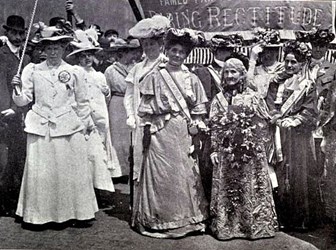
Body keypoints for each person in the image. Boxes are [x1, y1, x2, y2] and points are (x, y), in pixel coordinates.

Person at [11, 25, 98, 227]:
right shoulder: (32, 70)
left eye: (57, 48)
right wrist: (16, 89)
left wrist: (84, 125)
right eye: (48, 48)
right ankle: (39, 216)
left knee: (67, 170)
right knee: (42, 171)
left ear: (63, 48)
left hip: (68, 126)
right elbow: (23, 100)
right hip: (40, 125)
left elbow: (83, 101)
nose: (52, 52)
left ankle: (72, 214)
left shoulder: (73, 71)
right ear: (43, 49)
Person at [131, 28, 209, 238]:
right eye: (173, 50)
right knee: (163, 173)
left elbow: (198, 109)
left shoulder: (191, 78)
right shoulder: (155, 76)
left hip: (182, 130)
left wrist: (197, 126)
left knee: (184, 171)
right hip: (160, 131)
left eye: (181, 52)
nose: (177, 55)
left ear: (186, 55)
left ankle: (188, 220)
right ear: (168, 50)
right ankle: (161, 219)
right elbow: (146, 110)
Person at [209, 58, 278, 240]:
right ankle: (228, 227)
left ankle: (251, 227)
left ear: (242, 75)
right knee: (229, 188)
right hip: (226, 152)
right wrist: (214, 149)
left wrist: (252, 136)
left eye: (234, 72)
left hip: (250, 153)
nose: (230, 76)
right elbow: (214, 126)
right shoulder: (218, 99)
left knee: (249, 188)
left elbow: (265, 122)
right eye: (226, 72)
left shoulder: (253, 97)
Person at [266, 40, 322, 230]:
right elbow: (269, 103)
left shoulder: (307, 85)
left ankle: (299, 219)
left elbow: (311, 111)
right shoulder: (276, 82)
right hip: (277, 134)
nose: (290, 66)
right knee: (279, 173)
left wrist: (295, 120)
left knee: (298, 175)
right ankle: (280, 217)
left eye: (294, 62)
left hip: (297, 137)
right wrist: (275, 116)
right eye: (288, 61)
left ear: (302, 63)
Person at [124, 15, 170, 202]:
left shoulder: (167, 64)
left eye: (152, 44)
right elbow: (129, 94)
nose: (149, 48)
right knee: (139, 158)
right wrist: (130, 115)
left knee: (159, 160)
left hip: (162, 121)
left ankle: (160, 203)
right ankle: (141, 205)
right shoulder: (136, 68)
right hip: (140, 120)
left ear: (160, 45)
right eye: (145, 44)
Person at [67, 29, 119, 193]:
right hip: (82, 118)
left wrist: (106, 93)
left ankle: (97, 188)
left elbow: (104, 99)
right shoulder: (74, 73)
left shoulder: (99, 75)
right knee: (84, 152)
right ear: (77, 58)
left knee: (98, 153)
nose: (87, 58)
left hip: (99, 118)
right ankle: (83, 189)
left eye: (89, 54)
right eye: (83, 56)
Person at [0, 15, 30, 216]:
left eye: (21, 33)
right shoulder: (0, 54)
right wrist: (6, 108)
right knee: (3, 159)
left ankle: (13, 202)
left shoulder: (26, 58)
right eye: (14, 33)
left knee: (18, 159)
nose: (18, 37)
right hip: (4, 114)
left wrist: (19, 109)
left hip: (19, 115)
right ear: (7, 33)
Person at [105, 38, 141, 181]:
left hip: (132, 101)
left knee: (131, 135)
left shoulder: (136, 67)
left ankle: (132, 168)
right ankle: (119, 170)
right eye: (127, 52)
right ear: (120, 54)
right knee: (117, 137)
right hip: (117, 103)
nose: (131, 55)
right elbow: (107, 90)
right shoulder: (110, 70)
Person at [248, 28, 284, 99]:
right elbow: (248, 85)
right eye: (264, 51)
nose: (267, 55)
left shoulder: (282, 69)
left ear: (277, 52)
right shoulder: (255, 70)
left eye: (271, 51)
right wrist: (252, 59)